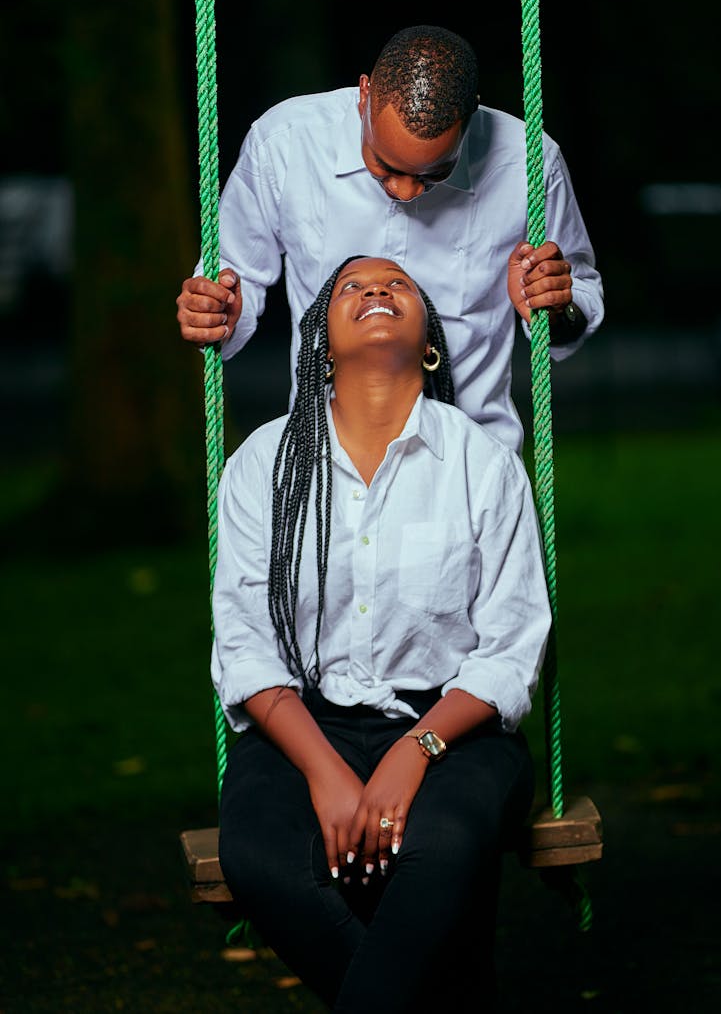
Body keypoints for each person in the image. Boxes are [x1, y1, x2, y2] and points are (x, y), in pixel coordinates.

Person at [211, 255, 552, 1013]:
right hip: (305, 720)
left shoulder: (480, 463)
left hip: (455, 727)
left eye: (396, 284)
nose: (374, 289)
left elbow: (510, 645)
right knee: (259, 857)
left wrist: (415, 748)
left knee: (440, 847)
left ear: (428, 339)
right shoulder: (262, 465)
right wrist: (325, 771)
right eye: (351, 287)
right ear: (320, 343)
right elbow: (243, 644)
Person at [177, 24, 603, 453]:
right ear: (364, 95)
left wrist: (552, 305)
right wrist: (218, 313)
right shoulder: (285, 144)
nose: (404, 192)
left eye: (433, 173)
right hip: (325, 463)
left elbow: (576, 306)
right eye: (384, 165)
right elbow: (236, 278)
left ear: (470, 120)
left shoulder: (529, 164)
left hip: (474, 463)